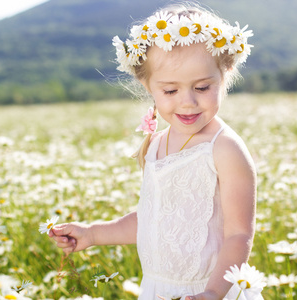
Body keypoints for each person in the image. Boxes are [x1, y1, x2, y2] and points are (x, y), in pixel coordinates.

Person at [50, 3, 258, 299]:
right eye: (170, 91)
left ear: (224, 75)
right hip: (158, 289)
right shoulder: (156, 143)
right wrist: (93, 233)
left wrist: (213, 292)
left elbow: (239, 235)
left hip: (211, 290)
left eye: (202, 87)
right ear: (147, 85)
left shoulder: (225, 149)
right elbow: (154, 218)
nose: (187, 102)